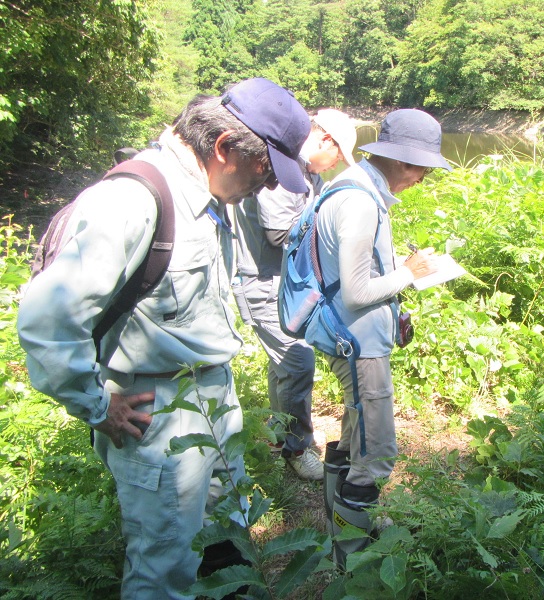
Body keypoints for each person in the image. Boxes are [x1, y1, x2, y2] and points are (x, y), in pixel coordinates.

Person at [16, 78, 311, 599]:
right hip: (158, 417)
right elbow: (47, 320)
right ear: (224, 148)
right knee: (165, 569)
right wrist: (95, 404)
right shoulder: (133, 201)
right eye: (266, 171)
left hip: (212, 399)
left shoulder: (210, 195)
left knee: (226, 540)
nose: (265, 189)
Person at [315, 109, 451, 566]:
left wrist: (397, 268)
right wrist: (407, 275)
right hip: (359, 342)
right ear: (395, 159)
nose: (421, 177)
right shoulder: (359, 202)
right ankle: (352, 559)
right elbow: (356, 294)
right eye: (418, 167)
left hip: (344, 336)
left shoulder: (351, 185)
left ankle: (336, 521)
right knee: (376, 454)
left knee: (355, 436)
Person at [232, 109, 357, 481]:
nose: (335, 164)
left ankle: (279, 431)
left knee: (284, 365)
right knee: (297, 363)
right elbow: (278, 234)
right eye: (337, 155)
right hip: (263, 281)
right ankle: (296, 448)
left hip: (286, 281)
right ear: (324, 140)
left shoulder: (308, 173)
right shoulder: (283, 170)